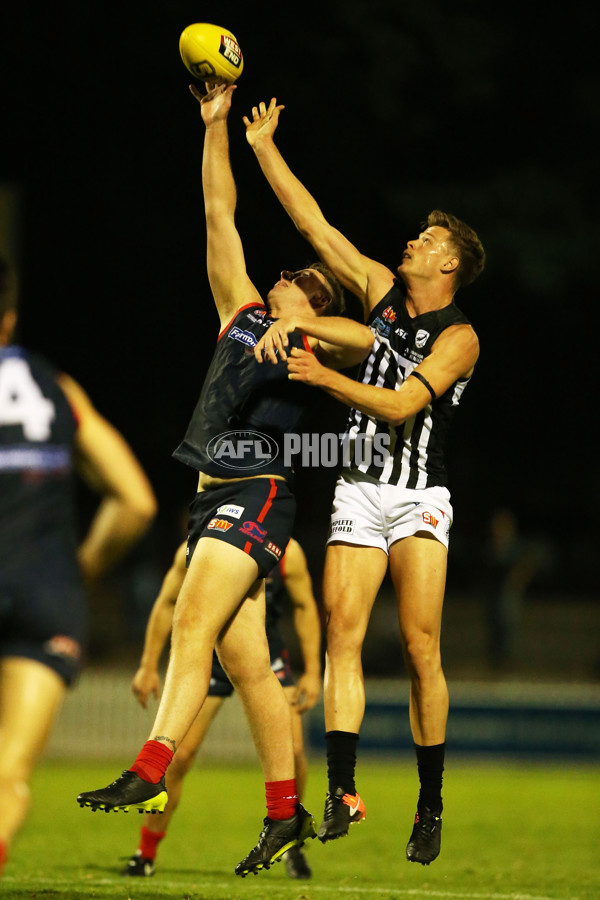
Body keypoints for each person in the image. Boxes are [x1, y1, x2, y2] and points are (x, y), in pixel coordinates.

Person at [76, 81, 373, 878]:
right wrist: (213, 127)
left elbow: (360, 332)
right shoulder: (241, 316)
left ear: (310, 296)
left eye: (296, 280)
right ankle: (285, 812)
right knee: (248, 671)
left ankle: (150, 767)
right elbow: (219, 214)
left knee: (190, 627)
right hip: (212, 497)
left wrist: (304, 321)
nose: (279, 279)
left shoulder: (317, 341)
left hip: (260, 495)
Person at [243, 96, 486, 865]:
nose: (414, 240)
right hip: (357, 486)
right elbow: (313, 223)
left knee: (420, 649)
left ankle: (430, 805)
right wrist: (262, 147)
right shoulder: (380, 288)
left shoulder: (460, 337)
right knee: (343, 639)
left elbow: (402, 403)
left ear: (449, 265)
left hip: (419, 495)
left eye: (429, 239)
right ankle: (343, 788)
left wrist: (322, 376)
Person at [0, 256, 157, 878]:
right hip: (47, 595)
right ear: (9, 318)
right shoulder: (57, 387)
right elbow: (136, 501)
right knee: (9, 775)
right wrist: (79, 569)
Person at [122, 536, 321, 880]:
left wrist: (314, 671)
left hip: (263, 658)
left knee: (296, 751)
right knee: (179, 757)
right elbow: (168, 601)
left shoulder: (287, 549)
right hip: (209, 659)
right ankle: (145, 852)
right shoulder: (196, 544)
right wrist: (147, 663)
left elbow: (304, 606)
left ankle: (290, 840)